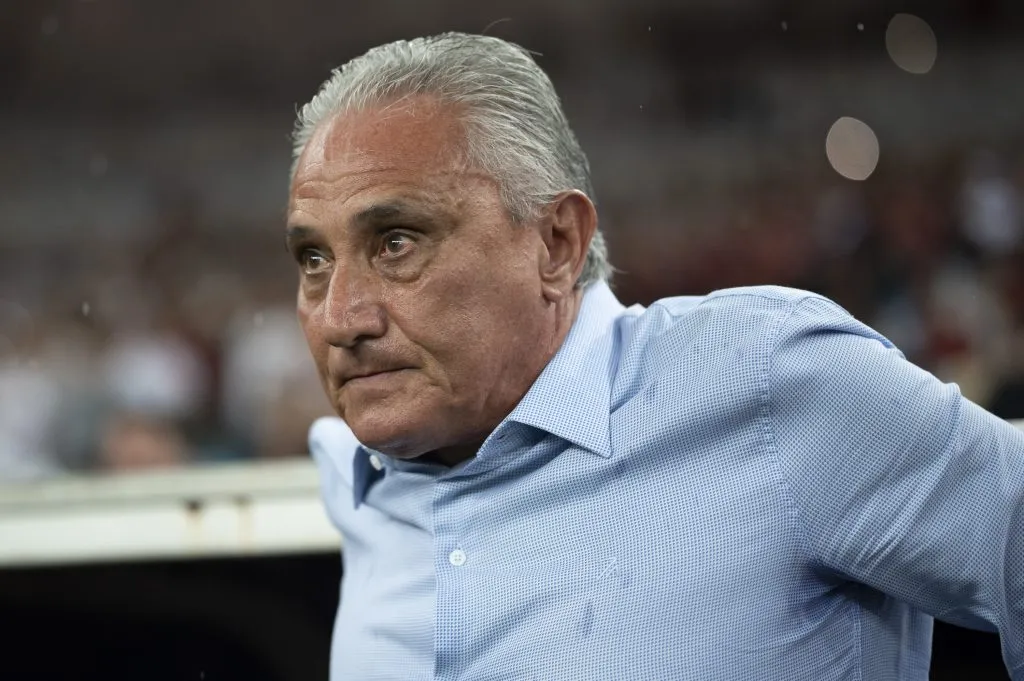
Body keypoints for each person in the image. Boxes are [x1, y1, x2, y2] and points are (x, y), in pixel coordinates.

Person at [286, 32, 1024, 681]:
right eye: (314, 257)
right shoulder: (355, 472)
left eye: (396, 242)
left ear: (556, 244)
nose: (341, 315)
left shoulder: (770, 382)